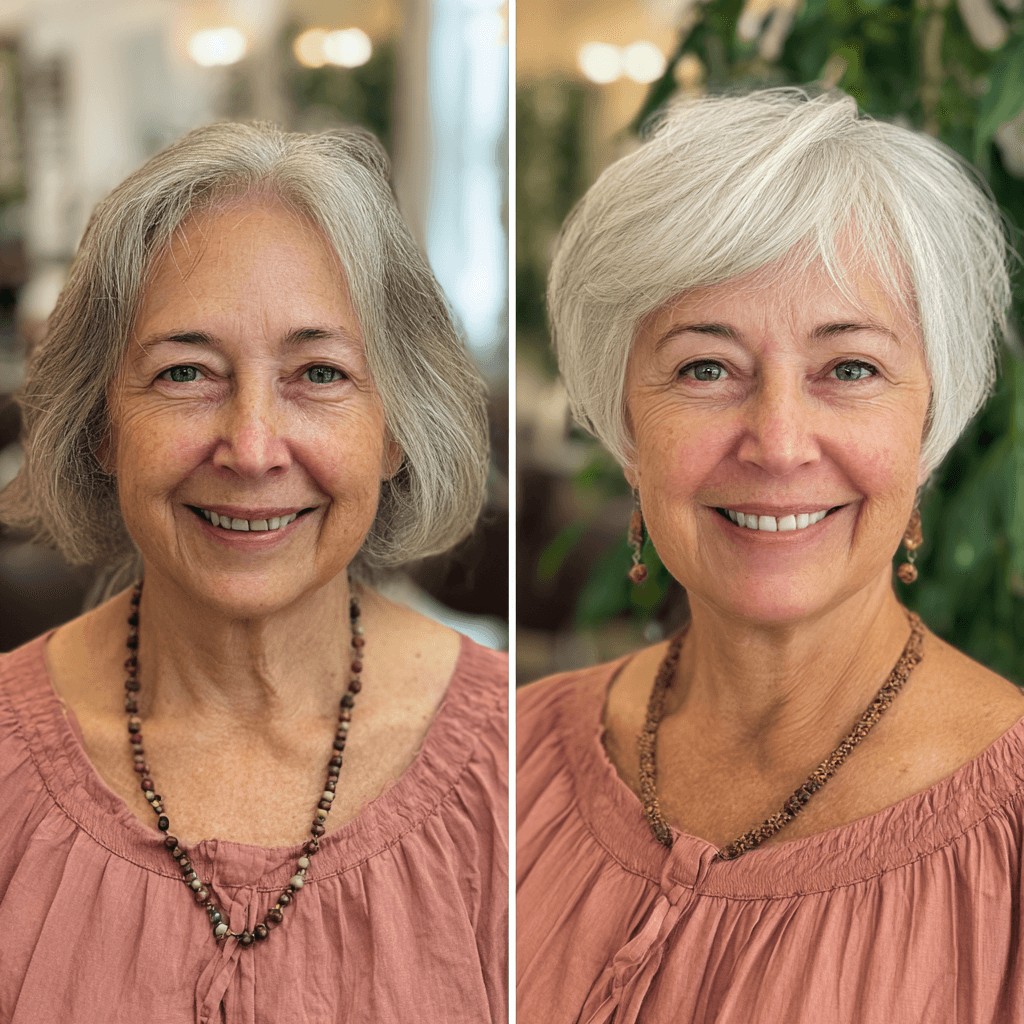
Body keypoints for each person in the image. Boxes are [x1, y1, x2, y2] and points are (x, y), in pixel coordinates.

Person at [517, 89, 1024, 1023]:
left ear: (931, 422)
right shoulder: (502, 771)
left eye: (850, 369)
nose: (779, 442)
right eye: (706, 368)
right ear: (626, 427)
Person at [0, 122, 507, 1023]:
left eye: (318, 373)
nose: (252, 447)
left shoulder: (524, 771)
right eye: (185, 372)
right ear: (101, 426)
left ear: (397, 430)